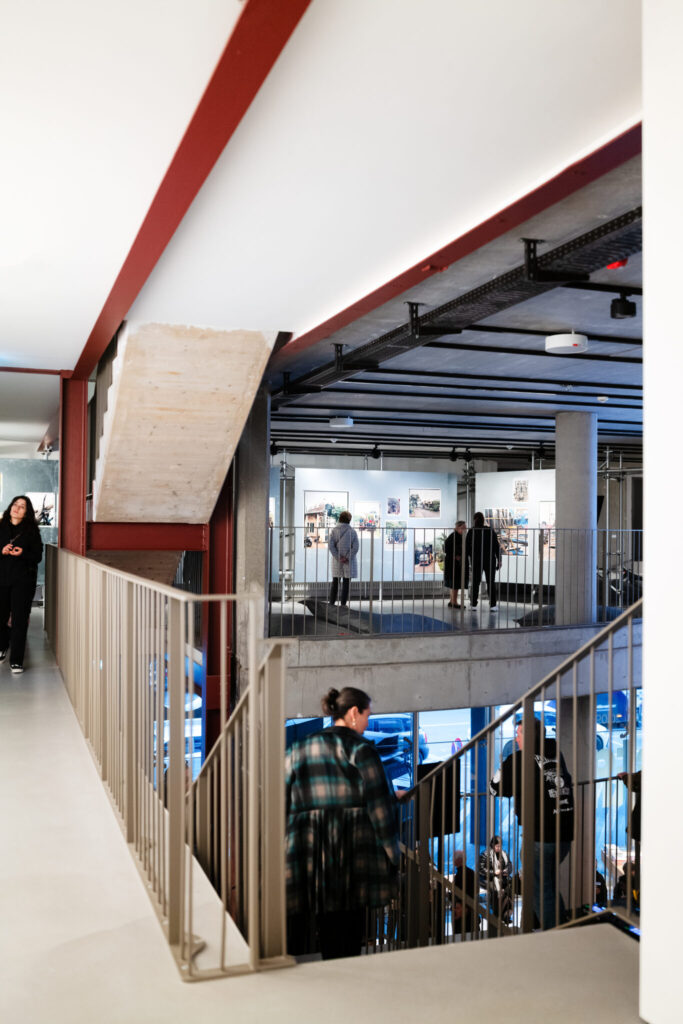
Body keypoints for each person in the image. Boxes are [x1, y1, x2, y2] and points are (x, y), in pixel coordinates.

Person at [285, 686, 399, 959]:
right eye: (367, 715)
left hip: (307, 849)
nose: (367, 723)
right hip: (350, 850)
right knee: (347, 930)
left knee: (307, 926)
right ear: (353, 712)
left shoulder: (299, 747)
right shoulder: (361, 749)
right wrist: (391, 854)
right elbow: (379, 806)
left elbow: (281, 797)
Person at [490, 717, 574, 929]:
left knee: (539, 891)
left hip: (540, 836)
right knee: (548, 887)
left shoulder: (519, 759)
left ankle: (555, 935)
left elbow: (495, 788)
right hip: (564, 834)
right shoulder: (556, 753)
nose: (516, 739)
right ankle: (563, 928)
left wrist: (504, 765)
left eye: (518, 735)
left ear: (528, 737)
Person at [0, 495, 43, 674]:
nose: (16, 508)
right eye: (15, 504)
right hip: (1, 579)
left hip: (23, 582)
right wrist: (1, 550)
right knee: (1, 616)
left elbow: (37, 556)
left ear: (26, 512)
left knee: (19, 620)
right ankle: (2, 646)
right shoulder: (0, 527)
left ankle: (16, 660)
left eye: (22, 506)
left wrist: (23, 553)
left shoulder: (31, 531)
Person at [466, 511, 501, 610]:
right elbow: (496, 546)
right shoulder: (490, 530)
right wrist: (499, 559)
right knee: (491, 582)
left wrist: (469, 556)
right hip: (490, 559)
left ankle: (473, 604)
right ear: (483, 520)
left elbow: (467, 546)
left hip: (476, 560)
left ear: (475, 520)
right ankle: (493, 605)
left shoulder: (472, 531)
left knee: (475, 582)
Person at [479, 835, 513, 926]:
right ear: (492, 845)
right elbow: (481, 870)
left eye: (500, 846)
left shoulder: (504, 854)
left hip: (502, 877)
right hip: (488, 879)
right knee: (496, 891)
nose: (499, 848)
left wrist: (506, 871)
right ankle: (496, 916)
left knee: (509, 889)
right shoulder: (485, 854)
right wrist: (494, 872)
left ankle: (506, 915)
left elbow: (509, 865)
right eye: (497, 846)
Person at [327, 511, 359, 606]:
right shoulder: (352, 532)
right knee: (346, 584)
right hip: (349, 562)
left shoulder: (334, 531)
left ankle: (331, 604)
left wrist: (338, 557)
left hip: (337, 561)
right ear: (349, 520)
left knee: (335, 583)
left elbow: (331, 546)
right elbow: (356, 547)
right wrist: (347, 557)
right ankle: (343, 605)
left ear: (340, 518)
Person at [443, 520, 467, 607]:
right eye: (463, 528)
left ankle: (452, 601)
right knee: (455, 583)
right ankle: (454, 602)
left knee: (453, 583)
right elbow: (445, 547)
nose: (465, 530)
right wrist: (455, 555)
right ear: (457, 528)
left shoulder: (455, 536)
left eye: (465, 528)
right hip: (453, 564)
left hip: (453, 563)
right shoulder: (455, 536)